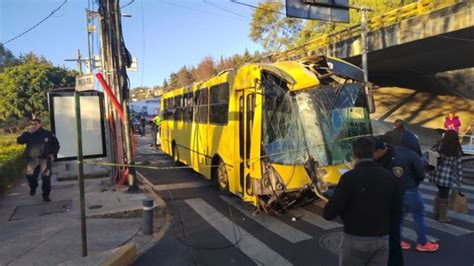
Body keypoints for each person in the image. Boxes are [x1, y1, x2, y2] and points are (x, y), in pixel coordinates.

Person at [323, 137, 402, 266]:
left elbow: (329, 213)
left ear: (354, 154)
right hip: (381, 240)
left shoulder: (348, 178)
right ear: (373, 153)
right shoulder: (389, 177)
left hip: (354, 238)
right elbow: (397, 211)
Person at [374, 136, 439, 253]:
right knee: (418, 214)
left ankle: (397, 240)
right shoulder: (411, 154)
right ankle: (422, 242)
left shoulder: (389, 154)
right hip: (409, 189)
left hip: (392, 191)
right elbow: (421, 174)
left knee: (399, 216)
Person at [17, 119, 60, 202]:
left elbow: (56, 145)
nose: (34, 126)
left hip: (45, 159)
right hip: (32, 160)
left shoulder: (48, 134)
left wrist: (52, 154)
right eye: (32, 124)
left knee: (46, 178)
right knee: (30, 177)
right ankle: (33, 186)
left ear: (40, 124)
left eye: (35, 124)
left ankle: (46, 195)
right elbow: (19, 141)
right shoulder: (28, 134)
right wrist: (29, 133)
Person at [429, 130, 463, 223]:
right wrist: (459, 180)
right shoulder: (456, 148)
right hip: (446, 176)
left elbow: (431, 154)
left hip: (436, 174)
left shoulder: (439, 144)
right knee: (444, 197)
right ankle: (442, 217)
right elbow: (458, 165)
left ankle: (436, 213)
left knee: (440, 193)